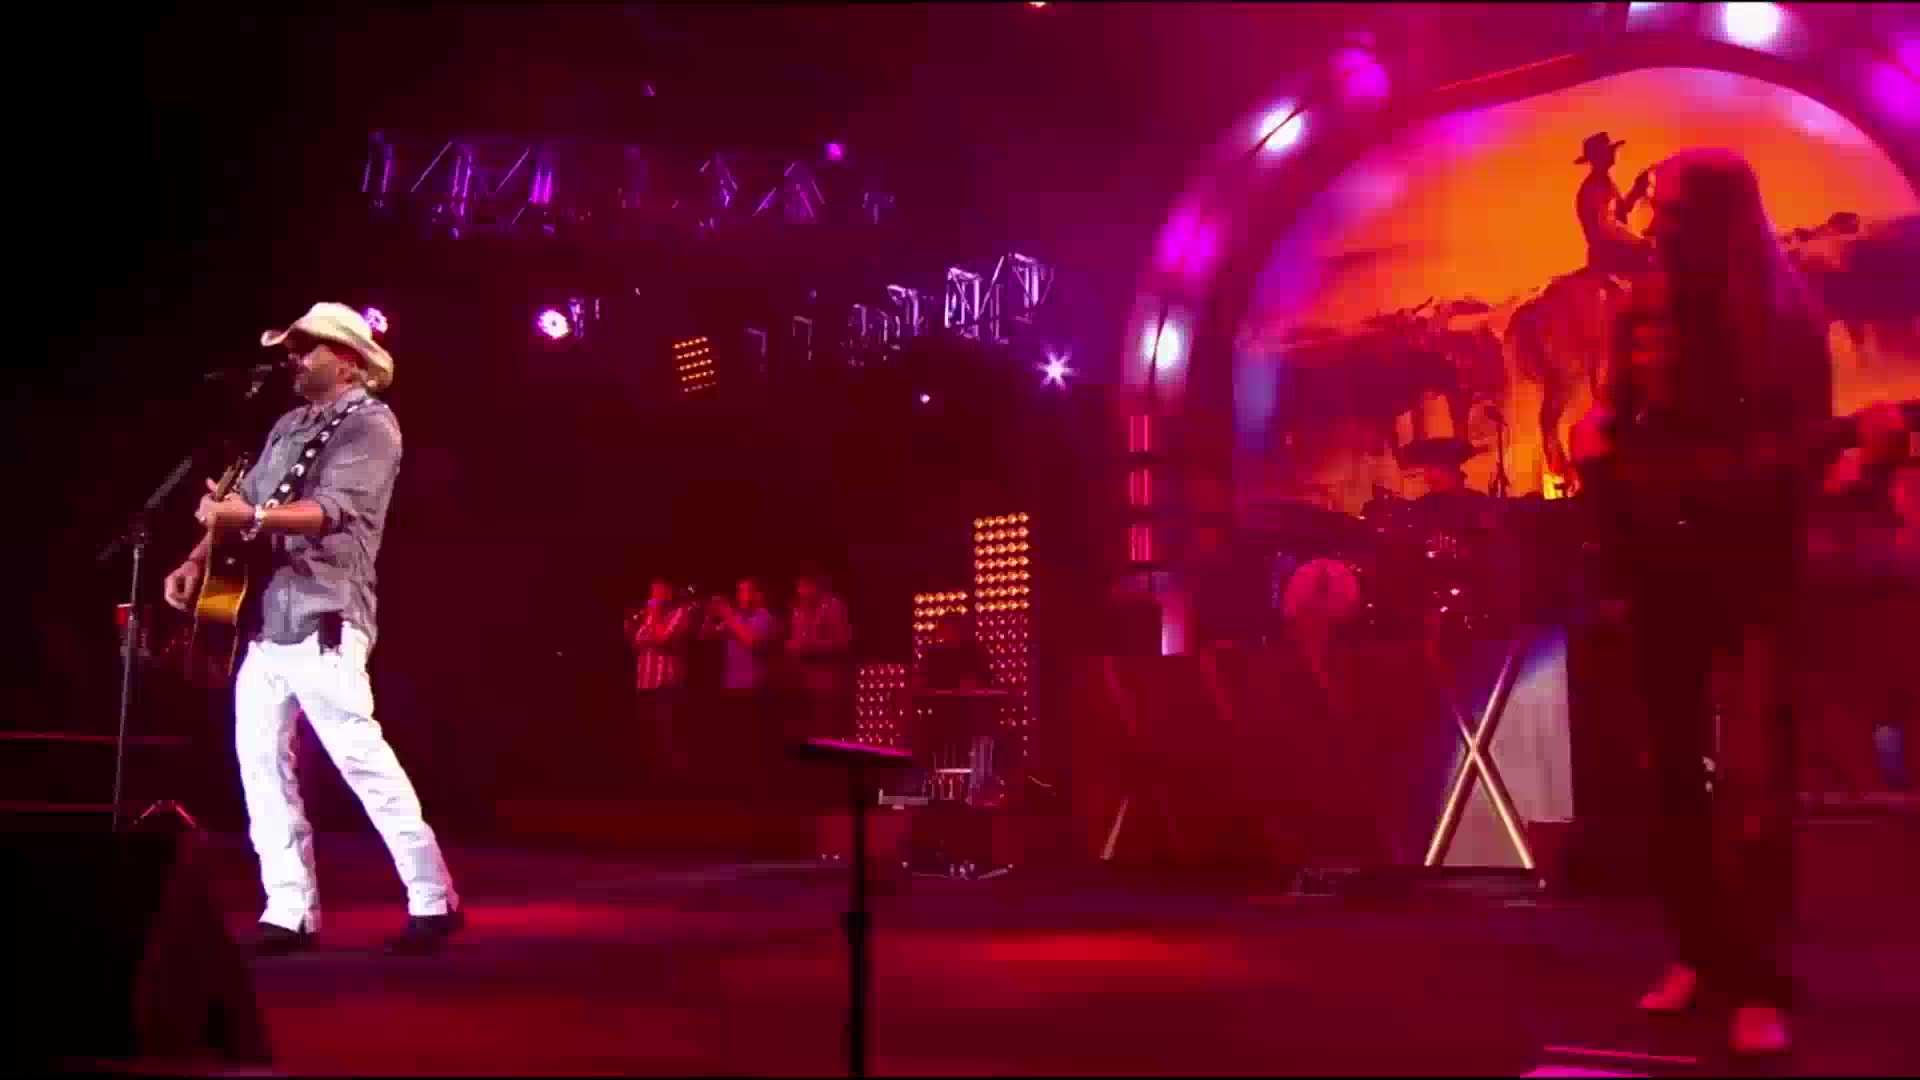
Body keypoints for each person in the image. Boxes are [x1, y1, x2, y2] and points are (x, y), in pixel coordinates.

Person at [1568, 148, 1897, 1056]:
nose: (1658, 224)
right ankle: (1699, 953)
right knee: (1672, 775)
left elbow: (1803, 452)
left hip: (1752, 570)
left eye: (1676, 210)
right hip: (1661, 567)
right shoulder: (1639, 309)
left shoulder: (1788, 320)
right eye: (1659, 209)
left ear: (1721, 218)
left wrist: (1832, 456)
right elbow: (1615, 415)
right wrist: (1596, 438)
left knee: (1756, 783)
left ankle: (1755, 979)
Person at [162, 303, 461, 957]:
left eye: (307, 349)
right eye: (292, 350)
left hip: (326, 612)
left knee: (359, 758)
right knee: (261, 765)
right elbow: (243, 506)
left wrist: (248, 517)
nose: (293, 361)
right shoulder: (287, 425)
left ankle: (432, 898)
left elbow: (330, 511)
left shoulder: (372, 425)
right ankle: (289, 909)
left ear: (348, 361)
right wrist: (193, 560)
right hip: (265, 619)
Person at [701, 577, 779, 799]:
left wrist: (729, 616)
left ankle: (759, 792)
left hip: (755, 688)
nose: (741, 596)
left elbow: (751, 641)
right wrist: (711, 614)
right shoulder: (736, 617)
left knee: (754, 745)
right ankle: (739, 789)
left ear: (758, 594)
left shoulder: (765, 618)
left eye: (746, 591)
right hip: (732, 686)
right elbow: (705, 635)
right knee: (736, 743)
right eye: (739, 591)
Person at [628, 576, 695, 789]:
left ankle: (681, 789)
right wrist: (644, 621)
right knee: (649, 741)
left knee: (671, 739)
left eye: (658, 591)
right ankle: (655, 788)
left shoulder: (681, 613)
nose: (654, 596)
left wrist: (654, 615)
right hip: (645, 684)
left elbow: (663, 638)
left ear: (669, 592)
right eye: (652, 591)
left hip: (666, 686)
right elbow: (636, 641)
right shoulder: (647, 616)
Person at [1573, 132, 1653, 284]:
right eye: (1608, 152)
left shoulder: (1603, 183)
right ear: (1598, 158)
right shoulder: (1597, 186)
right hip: (1609, 255)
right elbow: (1608, 226)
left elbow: (1619, 212)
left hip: (1607, 251)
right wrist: (1640, 242)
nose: (1612, 154)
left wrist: (1636, 190)